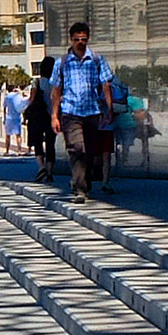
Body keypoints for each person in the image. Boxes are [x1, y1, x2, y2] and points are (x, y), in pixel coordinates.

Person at [51, 23, 115, 203]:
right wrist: (54, 116)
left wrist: (109, 109)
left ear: (88, 39)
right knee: (77, 148)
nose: (80, 42)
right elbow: (56, 90)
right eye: (77, 39)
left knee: (90, 152)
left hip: (92, 111)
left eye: (83, 39)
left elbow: (105, 85)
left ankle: (83, 183)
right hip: (70, 111)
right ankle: (80, 189)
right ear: (71, 39)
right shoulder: (62, 62)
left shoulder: (96, 59)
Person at [3, 84, 26, 156]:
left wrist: (4, 117)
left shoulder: (7, 97)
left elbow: (4, 108)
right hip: (17, 117)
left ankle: (7, 151)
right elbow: (23, 105)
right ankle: (19, 150)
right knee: (18, 135)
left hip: (9, 117)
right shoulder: (18, 96)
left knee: (7, 135)